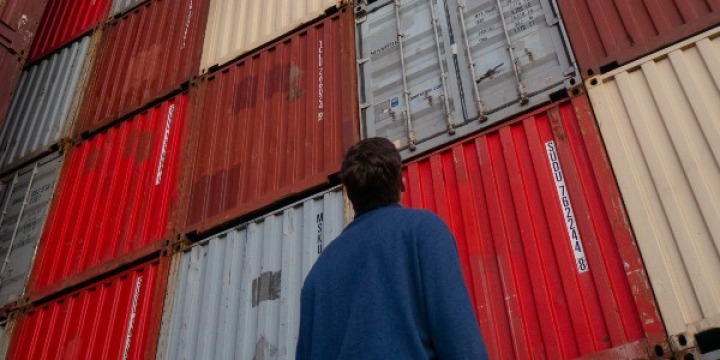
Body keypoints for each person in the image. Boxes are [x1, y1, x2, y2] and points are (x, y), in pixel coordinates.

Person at [296, 137, 488, 359]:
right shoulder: (424, 231)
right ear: (401, 183)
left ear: (350, 196)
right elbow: (461, 341)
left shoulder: (316, 277)